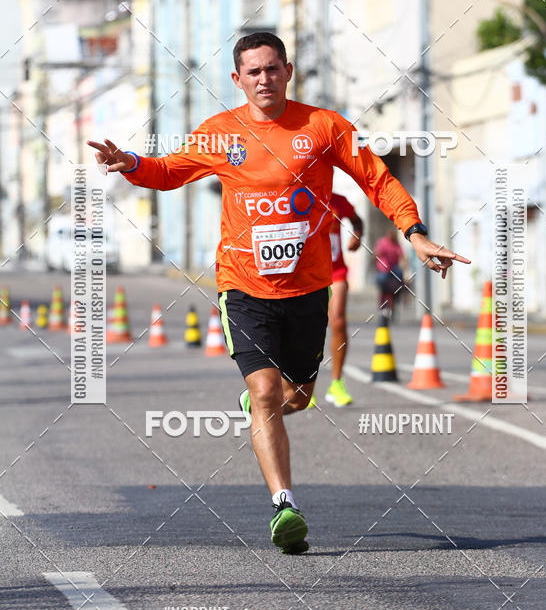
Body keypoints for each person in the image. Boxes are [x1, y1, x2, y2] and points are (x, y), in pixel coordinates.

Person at [88, 31, 470, 555]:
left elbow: (377, 179)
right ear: (237, 80)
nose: (264, 79)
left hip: (309, 288)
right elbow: (170, 171)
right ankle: (284, 506)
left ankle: (266, 403)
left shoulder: (324, 127)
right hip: (243, 287)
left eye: (272, 69)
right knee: (267, 394)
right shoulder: (222, 133)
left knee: (296, 397)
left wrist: (414, 232)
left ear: (288, 72)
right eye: (253, 72)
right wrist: (131, 162)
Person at [308, 192, 363, 408]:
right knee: (308, 326)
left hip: (335, 271)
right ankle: (303, 386)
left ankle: (336, 384)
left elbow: (357, 220)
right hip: (307, 273)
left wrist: (357, 235)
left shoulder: (338, 200)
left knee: (338, 321)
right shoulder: (298, 196)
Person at [374, 227, 408, 319]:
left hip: (394, 269)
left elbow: (402, 256)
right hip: (383, 269)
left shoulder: (396, 244)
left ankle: (398, 299)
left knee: (402, 281)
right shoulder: (382, 242)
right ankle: (382, 304)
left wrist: (405, 265)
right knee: (382, 280)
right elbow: (376, 253)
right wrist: (380, 253)